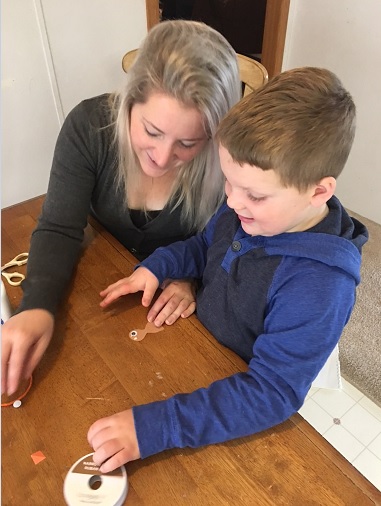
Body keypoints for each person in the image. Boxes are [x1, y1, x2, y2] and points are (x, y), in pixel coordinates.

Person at [87, 67, 368, 473]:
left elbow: (270, 393)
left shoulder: (320, 286)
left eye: (254, 194)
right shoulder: (248, 210)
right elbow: (206, 246)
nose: (233, 203)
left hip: (239, 391)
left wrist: (156, 427)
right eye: (229, 183)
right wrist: (158, 267)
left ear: (319, 192)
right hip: (203, 349)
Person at [1, 20, 242, 397]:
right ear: (129, 101)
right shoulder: (88, 128)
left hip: (172, 315)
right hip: (103, 278)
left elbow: (225, 245)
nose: (163, 159)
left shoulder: (230, 165)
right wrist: (37, 306)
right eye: (152, 131)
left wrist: (189, 278)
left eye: (188, 143)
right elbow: (59, 228)